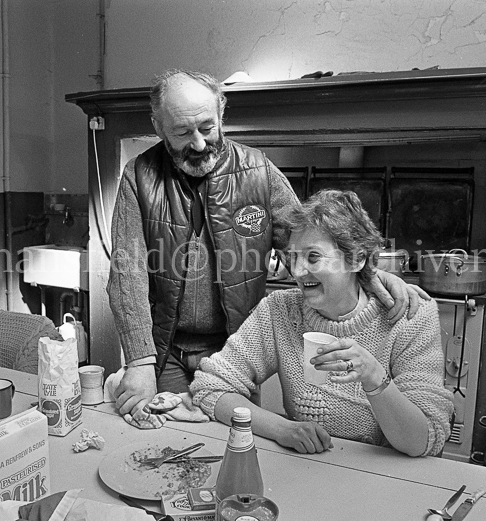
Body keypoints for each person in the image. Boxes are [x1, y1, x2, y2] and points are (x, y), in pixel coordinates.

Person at [108, 69, 425, 421]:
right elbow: (128, 274)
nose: (198, 144)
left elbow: (311, 240)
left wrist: (370, 274)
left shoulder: (259, 171)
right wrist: (139, 360)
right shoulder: (139, 176)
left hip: (235, 347)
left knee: (235, 441)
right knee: (167, 441)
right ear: (158, 125)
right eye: (182, 132)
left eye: (207, 128)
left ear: (222, 112)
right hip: (165, 349)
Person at [190, 189, 454, 457]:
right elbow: (210, 388)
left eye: (313, 257)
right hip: (308, 468)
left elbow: (423, 440)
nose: (298, 272)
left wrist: (374, 377)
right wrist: (284, 429)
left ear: (358, 258)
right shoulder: (280, 310)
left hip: (389, 476)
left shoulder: (410, 316)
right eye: (292, 257)